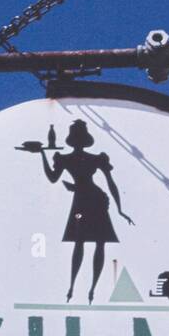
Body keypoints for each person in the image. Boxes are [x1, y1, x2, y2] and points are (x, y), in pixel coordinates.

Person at [24, 119, 134, 302]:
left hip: (95, 200)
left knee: (99, 243)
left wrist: (120, 209)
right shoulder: (65, 158)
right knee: (80, 241)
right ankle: (72, 287)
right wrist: (42, 153)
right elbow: (53, 178)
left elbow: (111, 183)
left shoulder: (95, 158)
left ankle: (92, 289)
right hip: (82, 202)